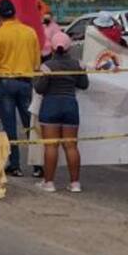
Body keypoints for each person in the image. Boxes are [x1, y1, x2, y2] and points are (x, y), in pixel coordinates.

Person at [0, 0, 40, 176]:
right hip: (26, 83)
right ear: (15, 12)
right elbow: (36, 60)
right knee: (30, 125)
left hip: (5, 83)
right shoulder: (29, 32)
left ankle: (14, 165)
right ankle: (38, 164)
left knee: (9, 126)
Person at [32, 31, 87, 192]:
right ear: (69, 48)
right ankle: (75, 183)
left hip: (50, 106)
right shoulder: (78, 64)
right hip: (70, 105)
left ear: (53, 49)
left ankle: (49, 183)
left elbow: (39, 88)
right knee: (71, 146)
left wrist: (40, 76)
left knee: (51, 146)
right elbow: (84, 85)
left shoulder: (47, 66)